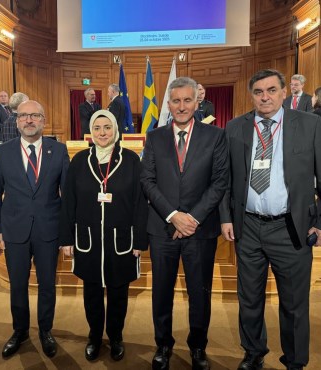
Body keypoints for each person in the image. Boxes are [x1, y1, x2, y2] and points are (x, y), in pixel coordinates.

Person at [220, 69, 321, 370]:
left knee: (295, 303)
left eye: (272, 90)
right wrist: (226, 218)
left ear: (285, 92)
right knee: (249, 299)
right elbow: (225, 179)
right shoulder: (235, 127)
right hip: (248, 227)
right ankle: (254, 352)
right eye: (259, 92)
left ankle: (295, 361)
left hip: (291, 228)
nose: (265, 97)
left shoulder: (308, 124)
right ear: (252, 95)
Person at [141, 77, 229, 370]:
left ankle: (198, 347)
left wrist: (192, 218)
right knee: (162, 292)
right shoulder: (154, 137)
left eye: (187, 100)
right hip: (162, 229)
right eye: (176, 101)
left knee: (199, 293)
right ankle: (163, 345)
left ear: (197, 102)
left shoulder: (215, 136)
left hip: (200, 230)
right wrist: (173, 215)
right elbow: (147, 181)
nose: (181, 106)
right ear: (168, 104)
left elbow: (219, 183)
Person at [59, 109, 148, 362]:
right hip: (87, 239)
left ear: (116, 130)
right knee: (92, 292)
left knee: (119, 293)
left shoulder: (131, 160)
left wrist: (140, 240)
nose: (102, 133)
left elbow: (141, 203)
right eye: (97, 128)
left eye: (107, 127)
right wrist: (66, 239)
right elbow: (69, 203)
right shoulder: (78, 161)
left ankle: (116, 336)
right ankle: (95, 336)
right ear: (91, 132)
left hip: (122, 239)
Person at [0, 100, 70, 359]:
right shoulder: (2, 152)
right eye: (23, 116)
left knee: (47, 285)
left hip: (49, 230)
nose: (29, 120)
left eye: (35, 115)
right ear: (16, 120)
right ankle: (20, 331)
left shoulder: (58, 150)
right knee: (18, 285)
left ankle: (46, 330)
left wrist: (67, 235)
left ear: (43, 120)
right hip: (14, 230)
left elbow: (67, 197)